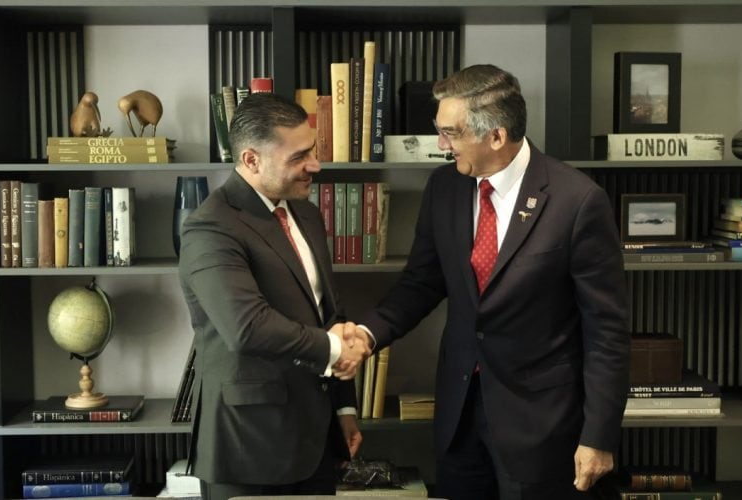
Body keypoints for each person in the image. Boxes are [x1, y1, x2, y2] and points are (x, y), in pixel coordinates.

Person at [360, 64, 630, 499]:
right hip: (460, 416)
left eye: (450, 133)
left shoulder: (577, 201)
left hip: (541, 424)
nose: (441, 145)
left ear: (497, 136)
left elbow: (607, 333)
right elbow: (421, 283)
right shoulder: (444, 188)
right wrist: (367, 334)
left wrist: (599, 436)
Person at [179, 92, 371, 500]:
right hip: (249, 446)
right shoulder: (210, 228)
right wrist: (338, 349)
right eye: (299, 157)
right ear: (251, 160)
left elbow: (329, 313)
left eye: (313, 150)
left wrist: (344, 408)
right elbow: (247, 328)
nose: (315, 165)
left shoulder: (306, 213)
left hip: (317, 438)